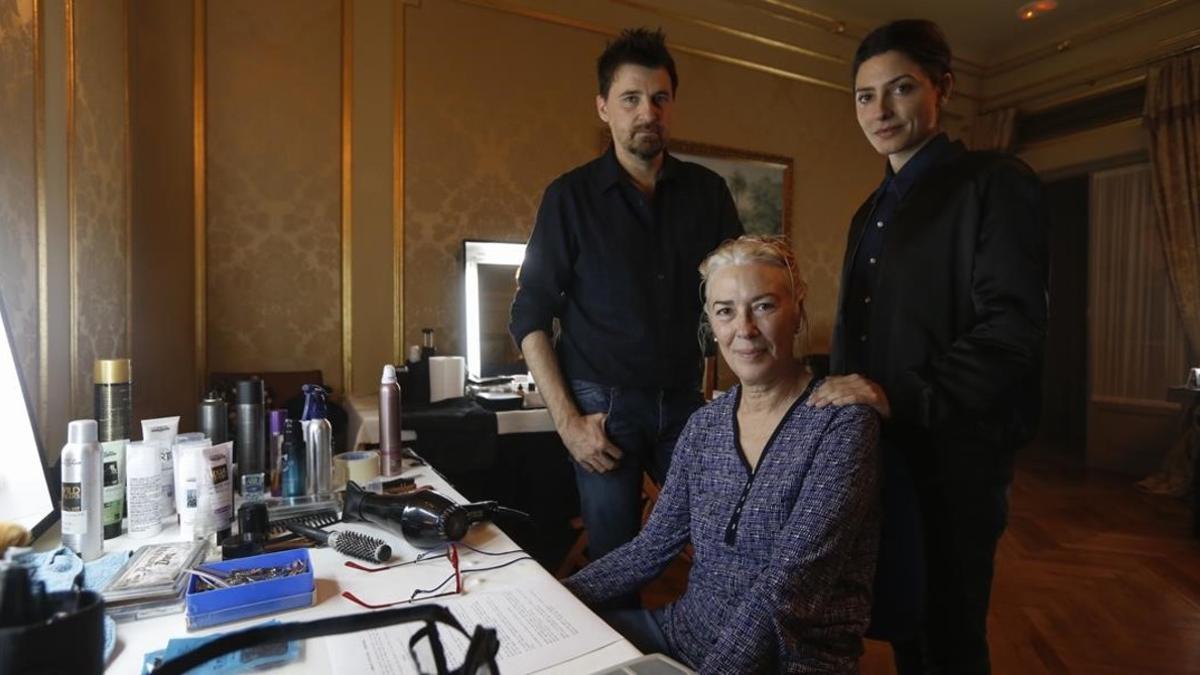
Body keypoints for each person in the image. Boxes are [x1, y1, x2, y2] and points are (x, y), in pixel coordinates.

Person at [808, 19, 1050, 675]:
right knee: (905, 619)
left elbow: (1011, 329)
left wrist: (893, 394)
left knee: (949, 635)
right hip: (883, 453)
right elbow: (859, 339)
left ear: (942, 88)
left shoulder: (995, 183)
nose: (879, 111)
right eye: (864, 95)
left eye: (900, 88)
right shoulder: (869, 211)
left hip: (957, 458)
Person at [564, 236, 880, 673]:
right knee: (559, 653)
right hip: (683, 635)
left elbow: (786, 588)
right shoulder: (704, 425)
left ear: (797, 311)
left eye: (764, 306)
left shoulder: (842, 424)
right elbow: (651, 547)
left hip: (790, 660)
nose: (744, 330)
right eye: (725, 311)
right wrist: (554, 596)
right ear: (711, 324)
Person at [509, 28, 743, 569]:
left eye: (659, 98)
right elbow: (529, 313)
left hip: (685, 401)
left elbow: (734, 299)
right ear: (603, 107)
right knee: (616, 565)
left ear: (672, 106)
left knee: (723, 542)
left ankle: (710, 651)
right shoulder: (568, 197)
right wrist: (568, 423)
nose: (647, 112)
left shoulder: (708, 194)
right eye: (631, 99)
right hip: (600, 406)